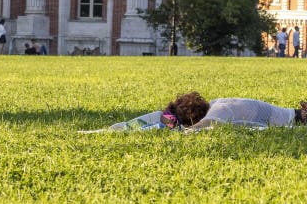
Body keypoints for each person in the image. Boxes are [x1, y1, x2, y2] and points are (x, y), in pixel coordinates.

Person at [103, 92, 307, 132]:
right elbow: (161, 117)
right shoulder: (217, 105)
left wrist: (174, 129)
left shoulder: (220, 111)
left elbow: (200, 128)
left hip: (299, 120)